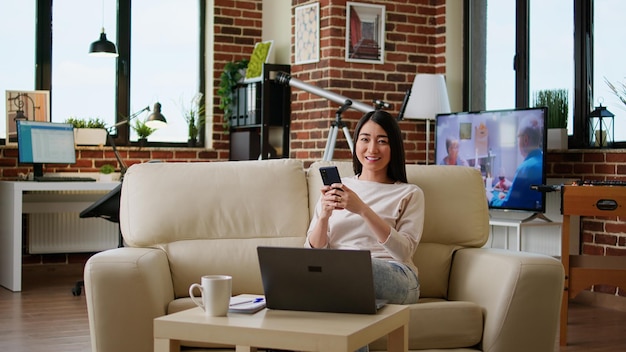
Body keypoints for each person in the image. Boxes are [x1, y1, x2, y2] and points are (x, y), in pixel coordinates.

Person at [305, 110, 424, 306]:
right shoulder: (338, 187)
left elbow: (404, 252)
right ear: (356, 144)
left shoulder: (410, 193)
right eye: (365, 139)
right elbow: (312, 254)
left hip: (395, 274)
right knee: (309, 268)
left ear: (394, 146)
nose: (372, 149)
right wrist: (324, 217)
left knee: (350, 268)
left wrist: (362, 209)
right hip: (337, 271)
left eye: (382, 141)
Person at [489, 114, 543, 209]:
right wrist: (511, 186)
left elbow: (507, 205)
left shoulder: (525, 168)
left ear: (525, 139)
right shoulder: (542, 160)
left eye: (518, 137)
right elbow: (529, 193)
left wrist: (488, 196)